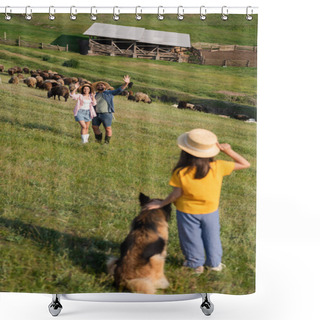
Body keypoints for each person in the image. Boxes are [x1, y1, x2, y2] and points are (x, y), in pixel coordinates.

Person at [144, 128, 250, 274]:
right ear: (210, 151)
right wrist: (228, 151)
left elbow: (176, 194)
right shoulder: (218, 166)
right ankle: (214, 264)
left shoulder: (181, 172)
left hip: (187, 212)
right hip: (210, 211)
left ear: (185, 151)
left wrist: (162, 203)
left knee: (191, 238)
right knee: (212, 237)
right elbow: (245, 164)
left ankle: (195, 265)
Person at [92, 75, 131, 144]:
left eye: (102, 85)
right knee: (94, 127)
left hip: (106, 113)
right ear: (96, 87)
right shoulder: (95, 94)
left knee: (108, 128)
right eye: (98, 85)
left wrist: (126, 83)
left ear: (105, 87)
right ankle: (98, 141)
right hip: (96, 114)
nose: (100, 86)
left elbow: (119, 89)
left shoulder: (109, 93)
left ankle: (106, 142)